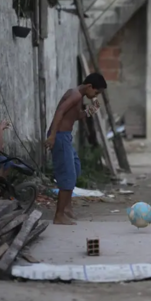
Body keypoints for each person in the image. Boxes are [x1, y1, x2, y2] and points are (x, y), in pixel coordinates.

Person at [45, 73, 107, 225]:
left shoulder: (77, 95)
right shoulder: (75, 95)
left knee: (75, 169)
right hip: (60, 136)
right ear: (89, 86)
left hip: (65, 137)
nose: (95, 96)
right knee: (68, 176)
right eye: (96, 92)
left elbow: (74, 116)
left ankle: (66, 207)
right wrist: (52, 135)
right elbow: (59, 112)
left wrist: (90, 111)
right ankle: (59, 215)